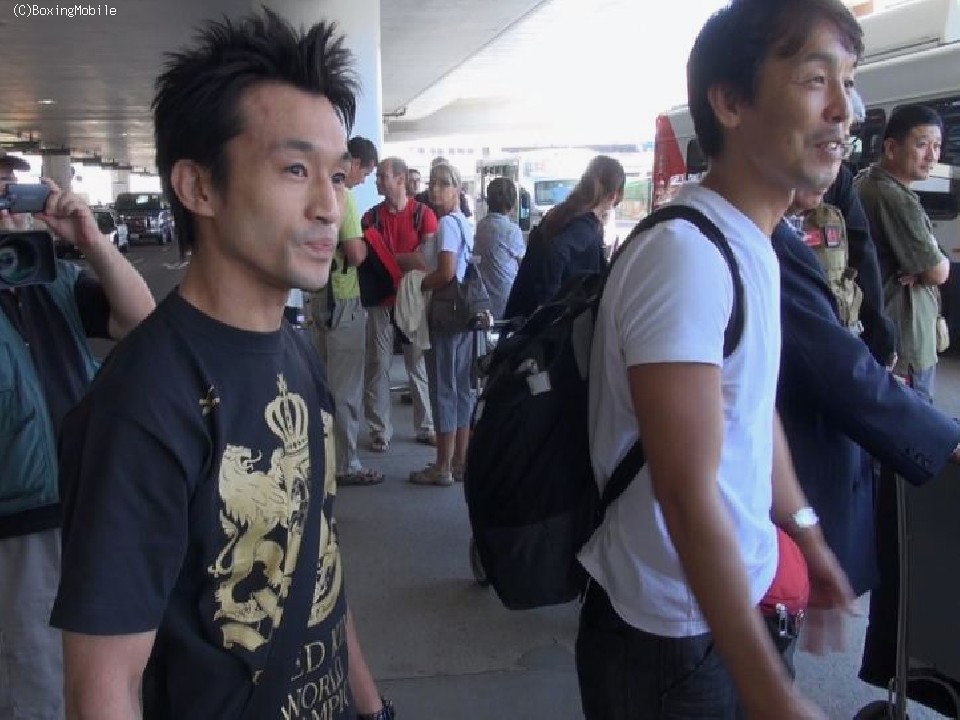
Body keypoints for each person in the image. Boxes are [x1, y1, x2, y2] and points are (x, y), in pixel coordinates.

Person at [50, 11, 391, 720]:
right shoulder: (143, 404)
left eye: (337, 174)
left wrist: (373, 706)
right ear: (199, 187)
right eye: (295, 169)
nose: (328, 205)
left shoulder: (296, 356)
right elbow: (102, 688)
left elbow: (318, 563)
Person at [575, 1, 861, 717]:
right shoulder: (687, 257)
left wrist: (806, 534)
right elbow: (686, 491)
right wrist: (769, 691)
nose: (843, 110)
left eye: (848, 82)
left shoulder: (749, 241)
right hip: (672, 641)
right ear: (730, 103)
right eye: (814, 80)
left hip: (725, 615)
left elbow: (749, 412)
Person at [0, 153, 155, 719]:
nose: (9, 209)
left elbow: (142, 321)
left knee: (106, 673)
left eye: (11, 191)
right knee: (35, 680)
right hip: (20, 528)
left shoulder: (52, 281)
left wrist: (93, 243)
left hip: (92, 508)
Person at [775, 186, 960, 598]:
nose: (833, 168)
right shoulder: (769, 242)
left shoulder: (777, 230)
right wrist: (943, 439)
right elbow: (838, 370)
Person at [855, 104, 947, 402]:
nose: (932, 156)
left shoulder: (866, 181)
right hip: (906, 339)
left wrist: (927, 263)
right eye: (922, 145)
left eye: (937, 146)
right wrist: (932, 263)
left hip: (887, 329)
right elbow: (937, 271)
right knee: (913, 417)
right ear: (891, 148)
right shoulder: (892, 196)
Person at [307, 135, 384, 487]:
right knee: (346, 388)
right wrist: (367, 247)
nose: (363, 181)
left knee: (323, 384)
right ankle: (346, 464)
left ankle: (325, 457)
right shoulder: (345, 198)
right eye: (365, 173)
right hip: (344, 299)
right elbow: (354, 253)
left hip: (320, 298)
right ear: (354, 163)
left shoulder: (316, 193)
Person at [362, 157, 437, 451]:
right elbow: (371, 259)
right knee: (377, 365)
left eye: (383, 176)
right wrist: (407, 258)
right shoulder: (371, 218)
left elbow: (426, 260)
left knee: (416, 363)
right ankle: (380, 431)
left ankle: (426, 426)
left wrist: (387, 256)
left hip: (412, 301)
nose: (377, 181)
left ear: (401, 179)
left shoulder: (423, 215)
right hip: (381, 301)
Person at [409, 162, 476, 487]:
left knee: (443, 389)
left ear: (457, 189)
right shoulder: (463, 222)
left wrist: (419, 284)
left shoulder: (448, 223)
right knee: (461, 388)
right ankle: (461, 460)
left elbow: (446, 272)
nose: (435, 190)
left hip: (445, 313)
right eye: (433, 183)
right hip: (462, 314)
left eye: (443, 184)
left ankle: (442, 466)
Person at [503, 155, 624, 319]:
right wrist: (551, 308)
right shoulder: (585, 226)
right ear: (614, 196)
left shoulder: (561, 214)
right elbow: (557, 250)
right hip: (543, 326)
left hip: (521, 314)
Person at [473, 176, 525, 319]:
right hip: (506, 296)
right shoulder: (511, 230)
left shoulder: (481, 226)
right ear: (512, 202)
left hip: (484, 296)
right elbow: (523, 264)